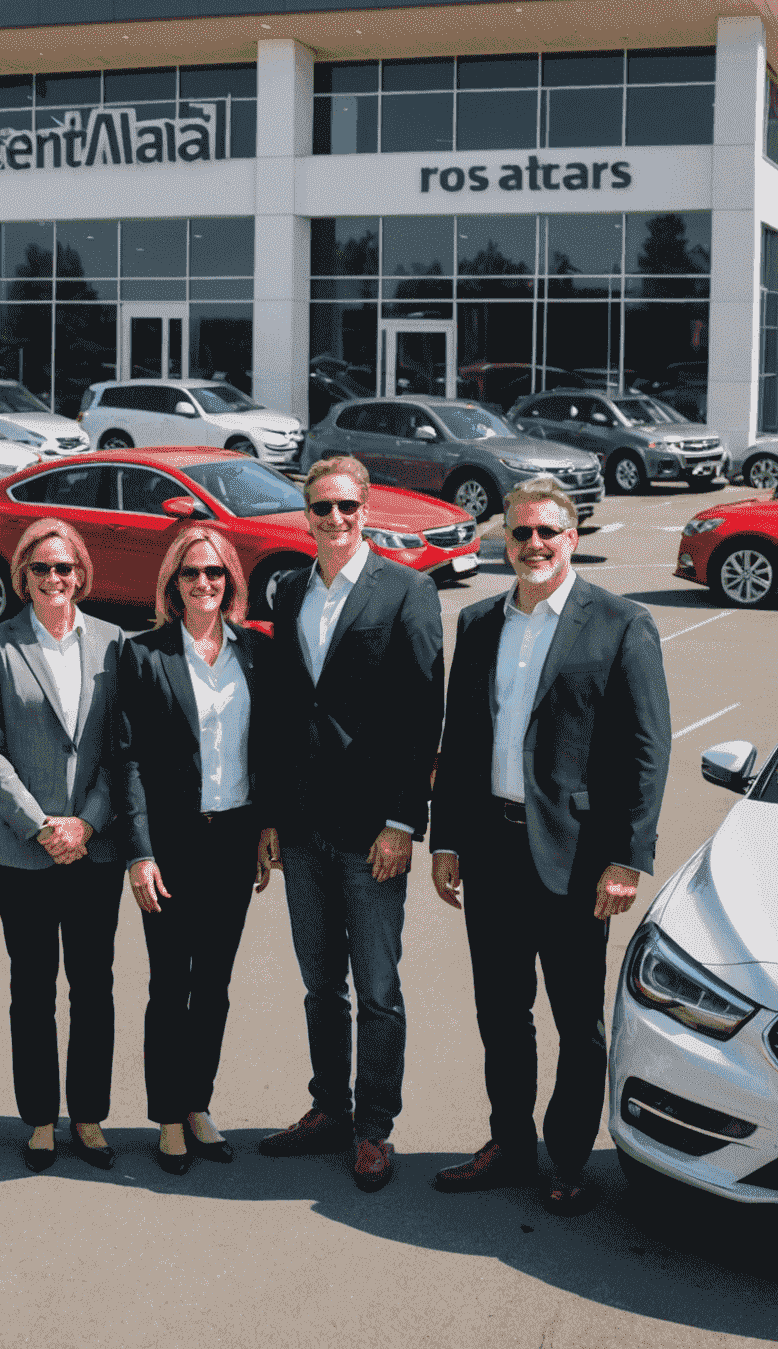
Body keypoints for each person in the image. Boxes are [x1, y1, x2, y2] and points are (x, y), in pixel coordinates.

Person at [429, 476, 670, 1215]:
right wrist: (446, 839)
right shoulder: (478, 623)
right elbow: (462, 743)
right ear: (503, 538)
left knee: (576, 1022)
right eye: (520, 532)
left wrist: (627, 857)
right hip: (491, 853)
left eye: (547, 532)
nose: (532, 545)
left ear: (572, 539)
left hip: (575, 859)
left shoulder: (621, 624)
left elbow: (646, 749)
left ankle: (567, 1158)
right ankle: (509, 1143)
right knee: (501, 1013)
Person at [255, 456, 445, 1193]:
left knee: (376, 989)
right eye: (321, 508)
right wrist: (270, 817)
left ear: (367, 511)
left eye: (346, 508)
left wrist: (403, 820)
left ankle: (373, 1129)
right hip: (303, 829)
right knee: (318, 986)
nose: (334, 520)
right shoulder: (290, 589)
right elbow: (278, 715)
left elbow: (422, 715)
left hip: (373, 831)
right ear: (305, 514)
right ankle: (327, 1110)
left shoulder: (407, 591)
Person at [0, 519, 127, 1173]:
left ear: (80, 573)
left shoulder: (114, 644)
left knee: (94, 985)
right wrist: (40, 826)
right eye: (41, 570)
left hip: (95, 846)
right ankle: (37, 1118)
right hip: (22, 851)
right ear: (21, 578)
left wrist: (85, 823)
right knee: (31, 986)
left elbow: (122, 749)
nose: (54, 580)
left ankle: (87, 1116)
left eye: (64, 568)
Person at [117, 526, 273, 1176]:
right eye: (190, 574)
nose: (203, 584)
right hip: (171, 846)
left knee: (213, 985)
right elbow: (124, 759)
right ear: (172, 584)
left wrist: (268, 826)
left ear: (230, 581)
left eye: (214, 573)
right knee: (168, 984)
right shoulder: (143, 654)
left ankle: (198, 1104)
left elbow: (269, 748)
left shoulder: (255, 654)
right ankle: (168, 1117)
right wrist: (139, 853)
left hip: (233, 841)